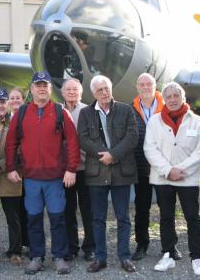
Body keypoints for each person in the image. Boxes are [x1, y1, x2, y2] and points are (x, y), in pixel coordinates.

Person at [6, 71, 81, 275]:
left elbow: (73, 143)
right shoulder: (21, 113)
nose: (41, 88)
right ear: (31, 89)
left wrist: (71, 169)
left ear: (50, 89)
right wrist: (11, 167)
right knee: (33, 219)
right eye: (37, 85)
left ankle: (59, 256)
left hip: (55, 179)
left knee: (58, 218)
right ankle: (36, 257)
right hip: (31, 179)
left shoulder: (60, 111)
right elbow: (11, 143)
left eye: (45, 85)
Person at [143, 82, 200, 276]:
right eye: (168, 96)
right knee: (166, 217)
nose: (172, 100)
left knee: (192, 217)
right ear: (163, 99)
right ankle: (168, 254)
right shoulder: (154, 121)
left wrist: (181, 170)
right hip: (163, 178)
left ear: (183, 98)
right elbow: (150, 149)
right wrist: (168, 170)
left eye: (176, 96)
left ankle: (197, 257)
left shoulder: (197, 121)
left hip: (187, 179)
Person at [77, 75, 139, 273]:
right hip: (97, 172)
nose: (104, 93)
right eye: (99, 90)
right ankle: (100, 258)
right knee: (98, 218)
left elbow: (132, 137)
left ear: (111, 89)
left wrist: (113, 154)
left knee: (123, 217)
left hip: (122, 171)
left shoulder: (126, 110)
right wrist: (102, 154)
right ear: (93, 93)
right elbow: (83, 139)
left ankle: (124, 257)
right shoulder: (86, 113)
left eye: (106, 88)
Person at [0, 86, 24, 266]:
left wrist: (1, 165)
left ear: (7, 103)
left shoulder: (17, 123)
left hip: (9, 175)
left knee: (13, 218)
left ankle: (15, 251)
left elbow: (20, 149)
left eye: (3, 102)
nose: (0, 105)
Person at [60, 78, 95, 262]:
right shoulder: (58, 111)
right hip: (64, 170)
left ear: (81, 93)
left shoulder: (88, 111)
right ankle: (71, 247)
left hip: (85, 168)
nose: (72, 92)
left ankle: (90, 247)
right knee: (67, 209)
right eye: (68, 89)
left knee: (88, 209)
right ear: (63, 92)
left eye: (75, 89)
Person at [130, 73, 163, 262]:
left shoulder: (166, 105)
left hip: (163, 168)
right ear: (137, 87)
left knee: (166, 207)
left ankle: (170, 245)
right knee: (141, 209)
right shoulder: (130, 108)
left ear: (155, 85)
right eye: (141, 84)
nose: (145, 87)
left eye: (148, 84)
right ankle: (142, 244)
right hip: (141, 168)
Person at [6, 86, 30, 251]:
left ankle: (28, 242)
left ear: (24, 100)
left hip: (28, 169)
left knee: (28, 208)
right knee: (14, 210)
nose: (15, 101)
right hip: (12, 169)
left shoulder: (29, 117)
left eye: (18, 98)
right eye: (12, 98)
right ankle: (16, 244)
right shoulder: (3, 120)